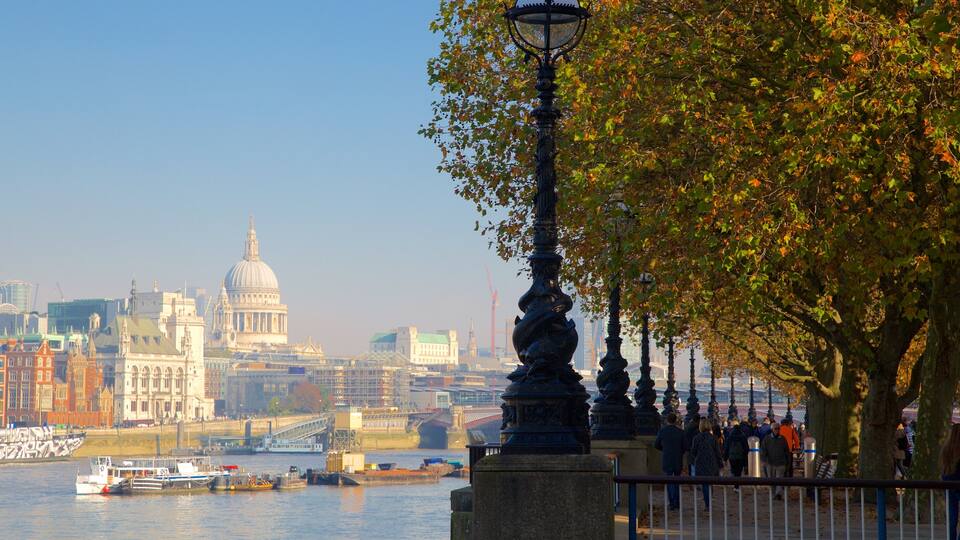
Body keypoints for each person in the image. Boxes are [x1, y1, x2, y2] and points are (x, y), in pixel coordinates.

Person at [655, 412, 687, 510]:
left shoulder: (663, 431)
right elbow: (685, 447)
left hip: (667, 458)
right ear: (675, 421)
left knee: (669, 480)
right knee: (677, 481)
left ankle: (671, 502)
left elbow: (656, 445)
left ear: (667, 420)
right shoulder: (681, 432)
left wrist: (664, 449)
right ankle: (677, 502)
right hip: (677, 459)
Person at [690, 418, 724, 509]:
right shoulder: (713, 438)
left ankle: (707, 504)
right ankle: (709, 499)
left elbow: (693, 452)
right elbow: (717, 453)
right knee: (710, 483)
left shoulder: (696, 438)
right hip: (712, 463)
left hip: (701, 463)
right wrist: (721, 465)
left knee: (704, 484)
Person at [760, 423, 790, 499]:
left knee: (779, 479)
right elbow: (763, 450)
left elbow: (786, 451)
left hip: (781, 462)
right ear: (772, 430)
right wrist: (764, 460)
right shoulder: (767, 439)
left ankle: (778, 494)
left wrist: (787, 462)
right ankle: (773, 493)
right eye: (775, 429)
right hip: (770, 463)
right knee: (771, 480)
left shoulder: (783, 439)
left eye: (778, 428)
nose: (777, 430)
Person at [941, 424, 960, 540]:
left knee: (952, 517)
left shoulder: (946, 449)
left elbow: (944, 469)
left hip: (948, 484)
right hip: (957, 482)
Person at [723, 421, 750, 489]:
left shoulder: (730, 436)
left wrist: (725, 458)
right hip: (740, 457)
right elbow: (746, 448)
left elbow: (726, 448)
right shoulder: (743, 436)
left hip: (732, 456)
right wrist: (745, 456)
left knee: (734, 469)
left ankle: (734, 481)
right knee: (739, 471)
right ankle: (737, 486)